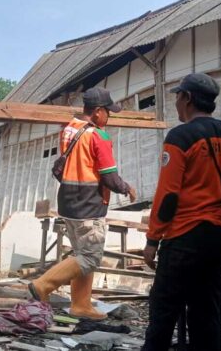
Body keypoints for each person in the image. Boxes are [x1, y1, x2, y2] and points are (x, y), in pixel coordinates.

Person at [141, 73, 221, 351]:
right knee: (208, 310)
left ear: (187, 98)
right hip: (220, 235)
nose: (176, 102)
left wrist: (152, 240)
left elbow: (168, 195)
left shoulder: (181, 136)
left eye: (177, 96)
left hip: (185, 235)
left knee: (164, 309)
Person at [28, 87, 136, 320]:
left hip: (68, 201)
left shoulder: (69, 129)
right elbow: (109, 177)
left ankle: (81, 305)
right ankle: (42, 285)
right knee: (89, 258)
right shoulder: (98, 136)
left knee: (81, 254)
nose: (109, 116)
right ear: (97, 112)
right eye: (108, 112)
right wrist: (126, 188)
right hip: (89, 204)